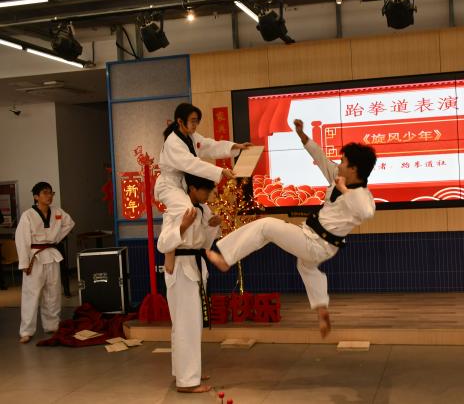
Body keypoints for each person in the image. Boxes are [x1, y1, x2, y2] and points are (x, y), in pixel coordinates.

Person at [207, 119, 377, 338]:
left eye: (343, 161)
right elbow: (320, 157)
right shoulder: (339, 176)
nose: (339, 164)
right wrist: (302, 135)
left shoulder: (363, 196)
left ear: (354, 169)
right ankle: (322, 310)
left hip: (317, 243)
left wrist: (345, 190)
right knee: (306, 267)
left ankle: (226, 259)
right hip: (315, 239)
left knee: (266, 226)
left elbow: (366, 212)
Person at [155, 103, 249, 276]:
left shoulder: (191, 137)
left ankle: (204, 250)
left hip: (182, 184)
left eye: (197, 121)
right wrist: (220, 171)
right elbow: (191, 164)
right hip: (169, 186)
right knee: (186, 210)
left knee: (206, 215)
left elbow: (209, 146)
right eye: (192, 121)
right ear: (180, 121)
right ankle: (169, 252)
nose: (195, 125)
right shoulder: (173, 142)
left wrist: (235, 147)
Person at [157, 173, 222, 393]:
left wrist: (212, 226)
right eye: (206, 191)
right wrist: (183, 226)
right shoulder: (178, 208)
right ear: (192, 188)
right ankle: (187, 381)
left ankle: (185, 372)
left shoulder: (203, 209)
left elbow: (204, 242)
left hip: (195, 264)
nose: (208, 195)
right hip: (181, 269)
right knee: (186, 325)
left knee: (190, 324)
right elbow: (163, 243)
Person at [16, 182, 75, 343]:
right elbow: (21, 240)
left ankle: (52, 325)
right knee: (31, 294)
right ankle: (26, 331)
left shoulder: (57, 212)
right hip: (34, 257)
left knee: (53, 292)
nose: (49, 196)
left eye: (51, 193)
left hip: (52, 254)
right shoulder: (28, 215)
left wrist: (56, 238)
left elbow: (69, 223)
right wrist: (24, 263)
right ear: (36, 196)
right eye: (45, 193)